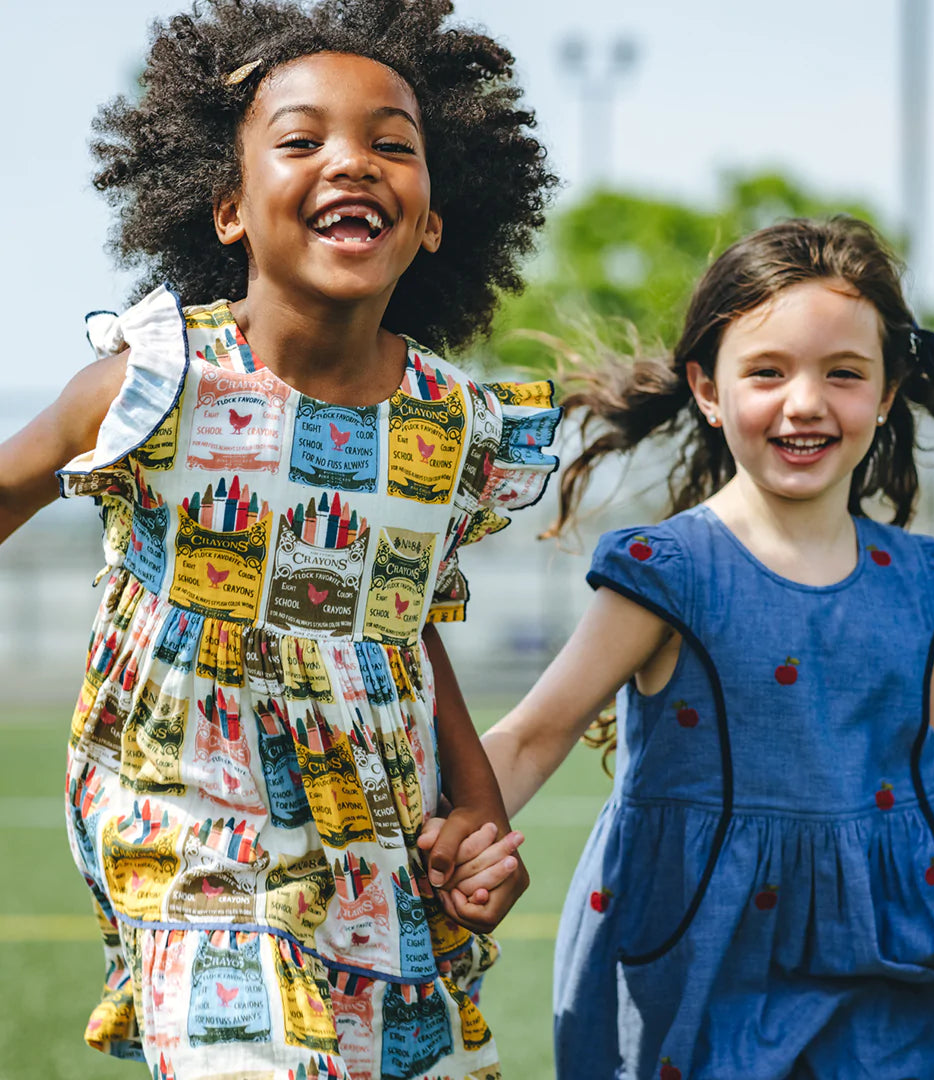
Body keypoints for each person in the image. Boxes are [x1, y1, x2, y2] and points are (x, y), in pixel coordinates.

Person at [0, 1, 560, 1077]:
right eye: (303, 141)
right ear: (228, 210)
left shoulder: (453, 427)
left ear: (436, 217)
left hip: (374, 829)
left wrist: (479, 814)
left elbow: (404, 627)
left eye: (392, 144)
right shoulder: (157, 387)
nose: (352, 163)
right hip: (182, 811)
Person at [464, 218, 934, 1078]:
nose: (805, 402)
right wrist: (428, 832)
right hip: (704, 963)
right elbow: (533, 735)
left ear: (889, 390)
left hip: (898, 961)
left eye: (843, 373)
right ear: (708, 391)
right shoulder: (668, 572)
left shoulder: (925, 584)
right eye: (767, 371)